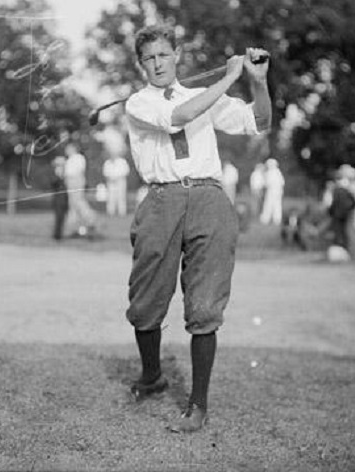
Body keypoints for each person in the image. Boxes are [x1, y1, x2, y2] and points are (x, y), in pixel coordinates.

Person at [124, 25, 271, 433]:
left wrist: (257, 83)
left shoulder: (201, 96)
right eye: (149, 58)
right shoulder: (139, 103)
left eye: (164, 55)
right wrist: (228, 77)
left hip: (209, 198)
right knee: (146, 303)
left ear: (177, 55)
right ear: (141, 65)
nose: (157, 64)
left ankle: (197, 405)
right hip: (161, 200)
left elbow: (259, 121)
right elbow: (179, 118)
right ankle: (152, 376)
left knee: (205, 307)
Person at [63, 142, 96, 237]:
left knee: (78, 201)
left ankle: (90, 218)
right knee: (72, 204)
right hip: (70, 181)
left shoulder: (78, 157)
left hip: (76, 181)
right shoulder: (70, 159)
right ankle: (72, 225)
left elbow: (77, 172)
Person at [328, 166, 355, 255]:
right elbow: (354, 201)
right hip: (347, 213)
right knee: (347, 232)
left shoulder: (337, 189)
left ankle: (343, 250)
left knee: (341, 233)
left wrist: (331, 211)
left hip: (340, 215)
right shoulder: (348, 187)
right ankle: (347, 251)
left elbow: (334, 203)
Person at [259, 158, 284, 225]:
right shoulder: (278, 172)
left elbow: (266, 183)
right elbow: (282, 182)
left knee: (268, 204)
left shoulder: (270, 172)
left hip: (271, 191)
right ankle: (277, 219)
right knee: (277, 205)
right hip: (278, 191)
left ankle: (265, 219)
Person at [50, 156, 69, 241]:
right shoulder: (55, 173)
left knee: (63, 218)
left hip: (65, 199)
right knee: (59, 218)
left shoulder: (66, 174)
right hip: (58, 200)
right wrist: (60, 177)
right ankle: (57, 236)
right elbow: (53, 183)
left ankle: (60, 234)